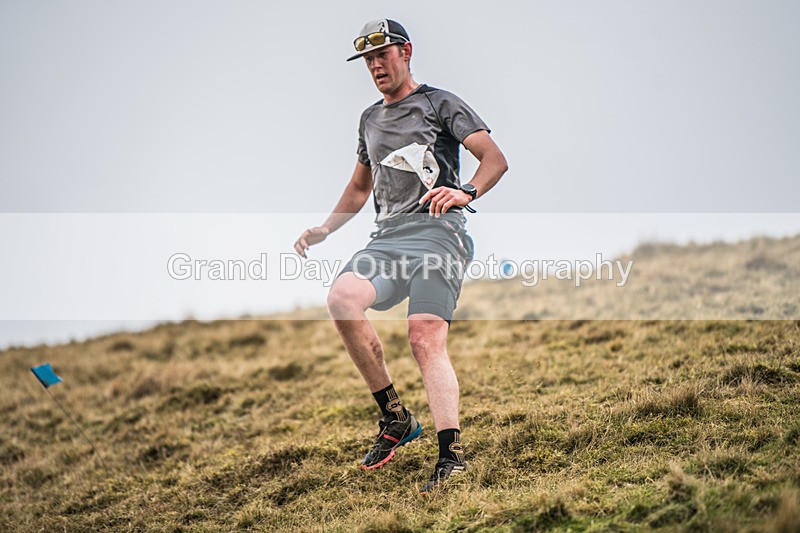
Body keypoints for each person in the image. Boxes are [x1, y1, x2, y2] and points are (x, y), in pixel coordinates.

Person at [293, 18, 507, 493]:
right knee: (342, 299)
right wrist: (325, 228)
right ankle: (395, 417)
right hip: (387, 240)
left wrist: (467, 191)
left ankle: (451, 457)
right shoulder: (369, 119)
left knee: (423, 337)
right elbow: (359, 187)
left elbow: (494, 158)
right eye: (368, 60)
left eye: (382, 55)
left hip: (438, 235)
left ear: (405, 52)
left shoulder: (439, 103)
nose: (375, 66)